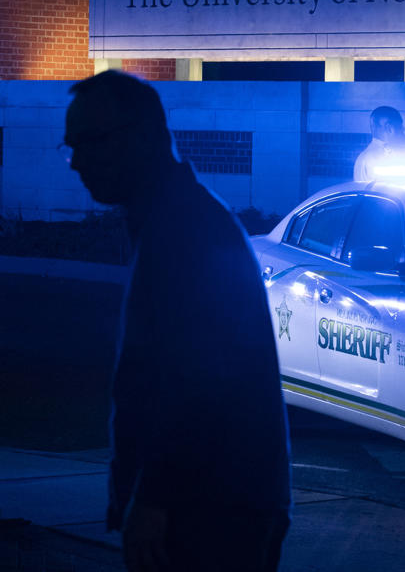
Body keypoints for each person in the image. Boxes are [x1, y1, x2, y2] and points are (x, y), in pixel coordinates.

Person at [61, 70, 291, 572]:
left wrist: (153, 498)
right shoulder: (176, 219)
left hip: (209, 513)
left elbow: (196, 381)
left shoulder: (183, 230)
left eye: (87, 142)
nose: (75, 161)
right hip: (214, 504)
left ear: (140, 137)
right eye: (70, 145)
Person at [354, 105, 405, 181]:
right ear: (389, 128)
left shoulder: (366, 157)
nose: (403, 129)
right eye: (399, 126)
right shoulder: (375, 159)